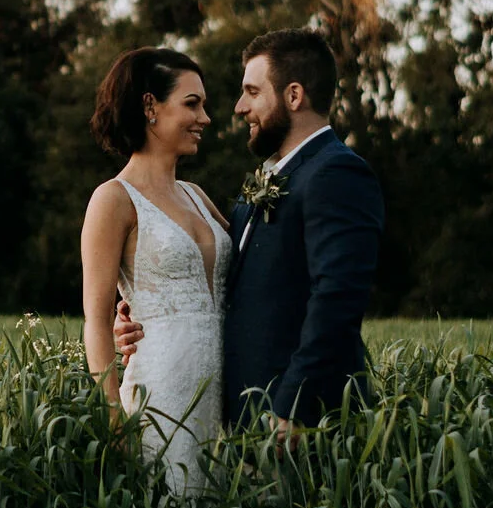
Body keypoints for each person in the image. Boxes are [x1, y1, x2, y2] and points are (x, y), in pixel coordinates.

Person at [115, 29, 385, 445]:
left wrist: (294, 405)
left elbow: (338, 299)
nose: (240, 107)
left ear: (294, 96)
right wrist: (142, 314)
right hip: (244, 420)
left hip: (299, 423)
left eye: (252, 92)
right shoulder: (275, 178)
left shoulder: (336, 172)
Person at [80, 47, 230, 497]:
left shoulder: (198, 195)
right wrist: (114, 424)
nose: (205, 116)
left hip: (225, 396)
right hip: (161, 394)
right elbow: (96, 320)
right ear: (149, 107)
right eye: (192, 103)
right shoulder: (112, 199)